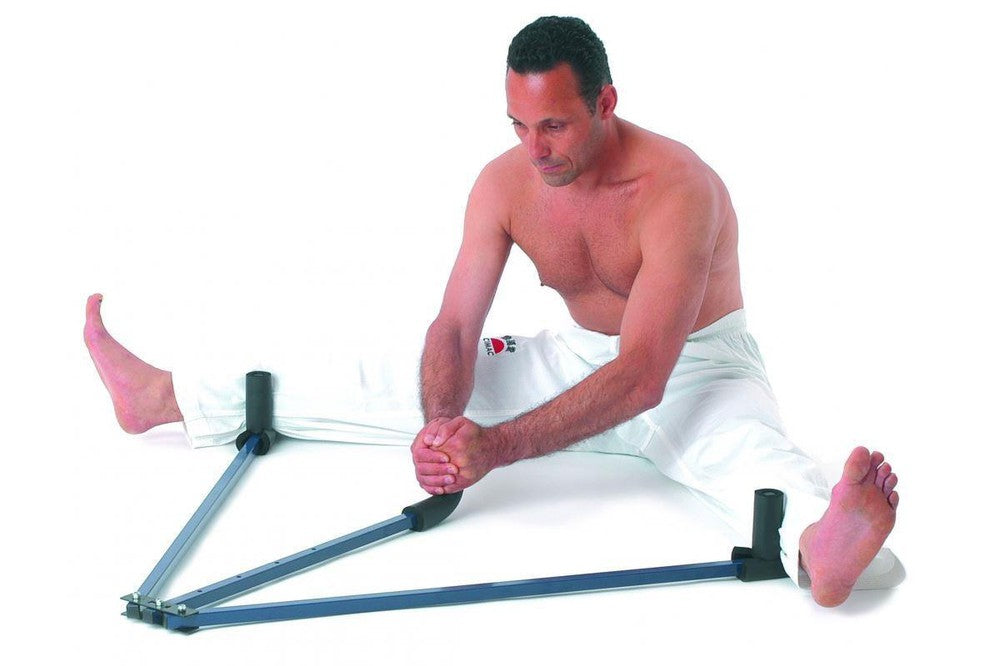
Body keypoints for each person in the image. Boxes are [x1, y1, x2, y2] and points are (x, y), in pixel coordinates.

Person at [84, 16, 900, 607]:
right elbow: (453, 327)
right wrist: (446, 430)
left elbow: (644, 377)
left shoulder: (678, 190)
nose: (534, 149)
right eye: (519, 125)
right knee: (385, 375)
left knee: (750, 458)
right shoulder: (505, 182)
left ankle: (824, 548)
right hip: (573, 359)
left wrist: (496, 449)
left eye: (554, 125)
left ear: (606, 101)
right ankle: (165, 397)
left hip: (696, 370)